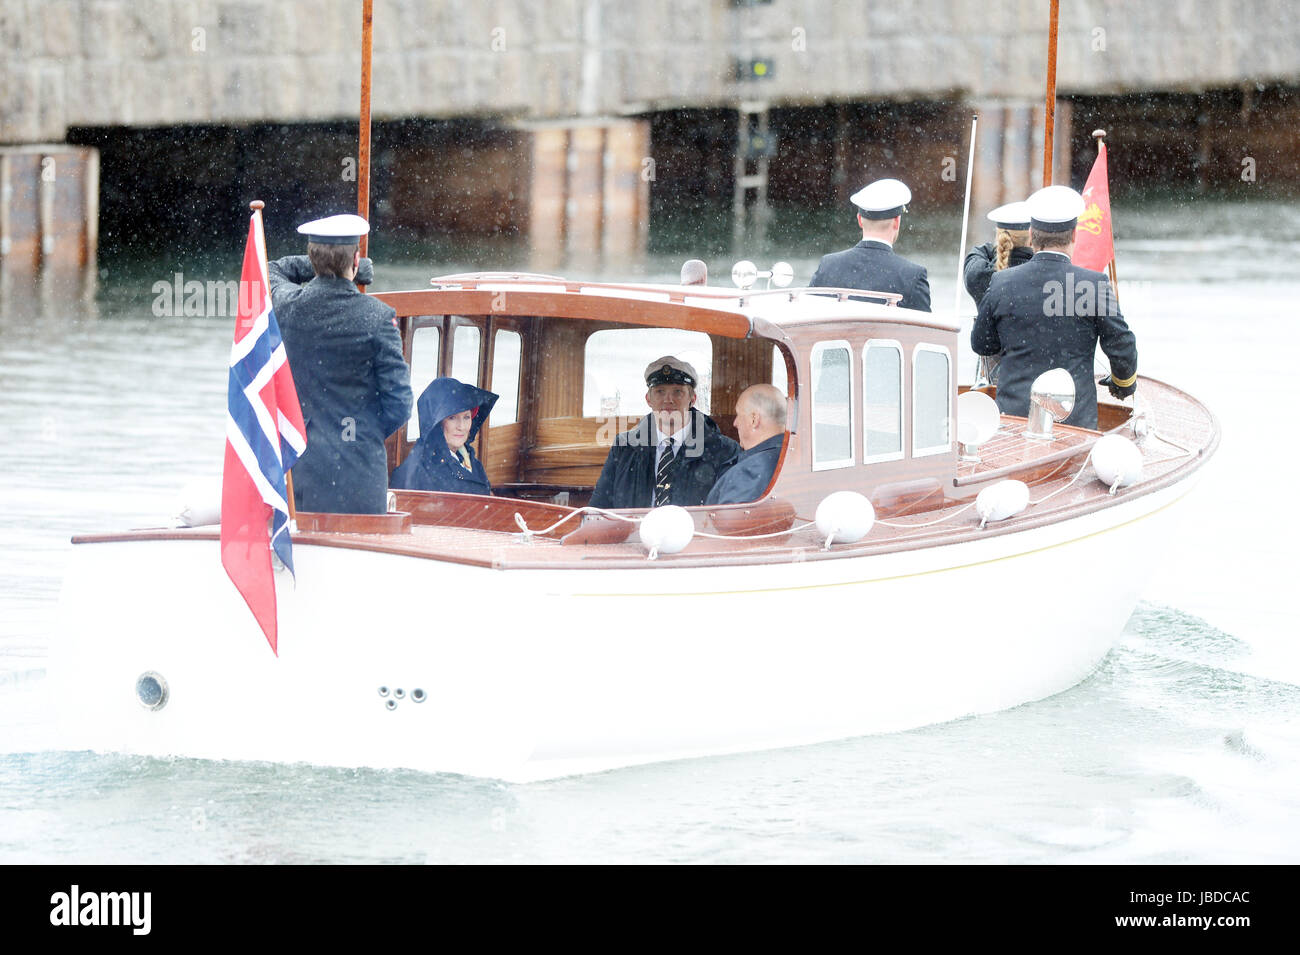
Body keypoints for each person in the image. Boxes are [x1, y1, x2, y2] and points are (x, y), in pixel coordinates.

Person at [269, 213, 412, 514]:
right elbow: (399, 404)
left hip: (301, 468)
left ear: (312, 258)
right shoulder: (379, 317)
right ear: (357, 261)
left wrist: (322, 263)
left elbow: (271, 270)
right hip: (359, 474)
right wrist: (364, 434)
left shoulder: (287, 307)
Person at [971, 185, 1138, 431]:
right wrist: (1123, 384)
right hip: (1074, 423)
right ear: (1074, 236)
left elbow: (982, 344)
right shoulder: (1092, 284)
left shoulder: (1001, 282)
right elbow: (1122, 345)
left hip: (1013, 421)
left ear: (1031, 234)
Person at [589, 356, 739, 509]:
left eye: (677, 392)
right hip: (632, 532)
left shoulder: (723, 450)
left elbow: (726, 514)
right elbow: (598, 509)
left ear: (692, 399)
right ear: (648, 399)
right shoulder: (623, 448)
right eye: (660, 391)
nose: (668, 400)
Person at [808, 178, 931, 311]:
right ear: (896, 221)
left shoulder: (828, 265)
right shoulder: (912, 275)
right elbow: (925, 330)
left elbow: (808, 319)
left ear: (860, 220)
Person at [389, 377, 498, 495]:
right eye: (452, 418)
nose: (461, 426)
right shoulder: (419, 470)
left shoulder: (471, 461)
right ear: (436, 423)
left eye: (466, 417)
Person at [704, 384, 787, 506]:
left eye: (738, 414)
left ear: (754, 419)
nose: (735, 423)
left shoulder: (749, 472)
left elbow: (725, 523)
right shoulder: (792, 457)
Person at [963, 200, 1034, 309]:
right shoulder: (1040, 272)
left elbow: (975, 255)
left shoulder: (978, 275)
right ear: (1031, 238)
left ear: (998, 237)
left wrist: (998, 245)